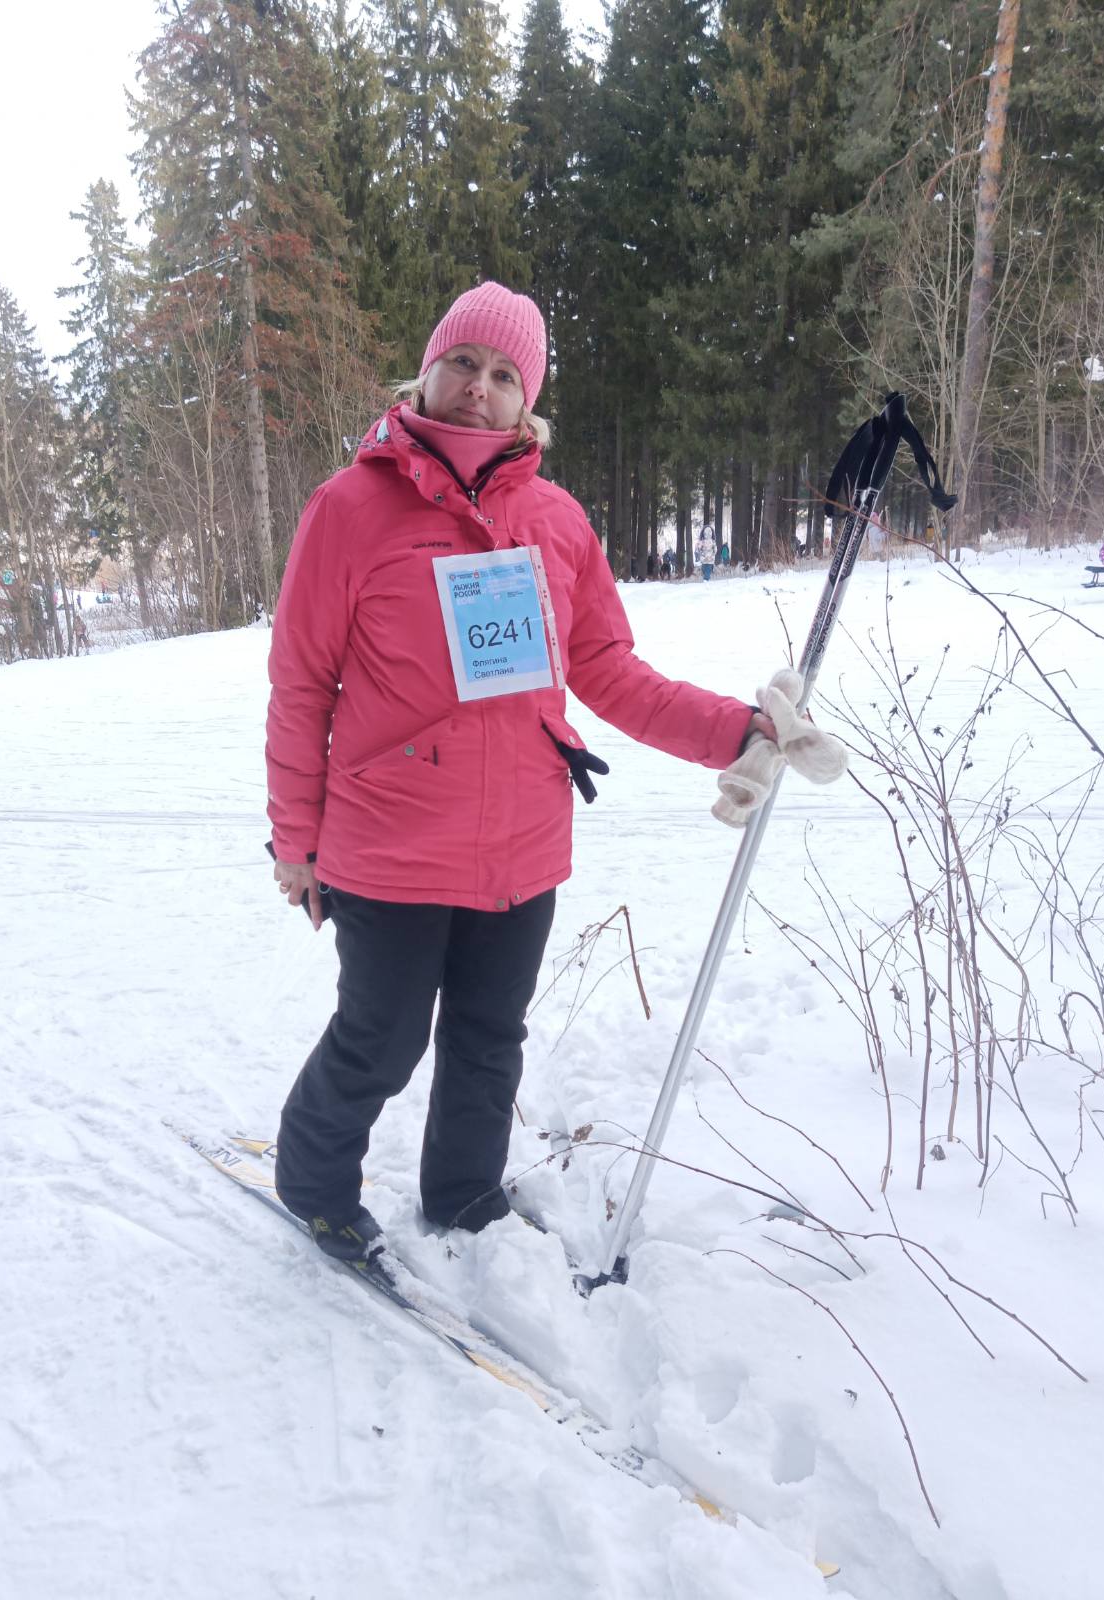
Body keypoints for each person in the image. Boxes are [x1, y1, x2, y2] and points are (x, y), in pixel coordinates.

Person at [266, 282, 776, 1262]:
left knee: (490, 1038)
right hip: (390, 846)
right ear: (427, 370)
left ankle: (463, 1194)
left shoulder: (556, 520)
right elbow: (300, 689)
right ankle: (315, 1183)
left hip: (521, 844)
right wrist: (297, 843)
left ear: (526, 401)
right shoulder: (348, 510)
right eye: (463, 362)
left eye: (506, 374)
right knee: (383, 1038)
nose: (480, 386)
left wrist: (738, 733)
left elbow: (609, 671)